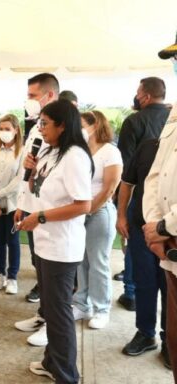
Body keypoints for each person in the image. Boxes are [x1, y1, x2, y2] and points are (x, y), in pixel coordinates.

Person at [15, 99, 93, 383]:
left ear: (62, 125)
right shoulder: (51, 151)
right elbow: (39, 188)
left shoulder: (75, 156)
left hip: (62, 246)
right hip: (45, 242)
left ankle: (66, 375)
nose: (40, 129)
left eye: (45, 124)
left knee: (59, 314)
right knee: (50, 308)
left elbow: (83, 205)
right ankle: (52, 362)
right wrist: (26, 201)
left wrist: (42, 217)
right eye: (40, 123)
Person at [14, 73, 59, 348]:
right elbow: (28, 168)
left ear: (49, 96)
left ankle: (53, 324)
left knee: (55, 272)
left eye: (32, 96)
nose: (28, 101)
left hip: (49, 213)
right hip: (32, 207)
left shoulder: (61, 129)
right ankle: (44, 315)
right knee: (39, 265)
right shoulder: (36, 126)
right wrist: (21, 204)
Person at [117, 77, 169, 311]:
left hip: (142, 204)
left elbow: (125, 168)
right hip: (168, 209)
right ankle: (167, 339)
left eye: (138, 92)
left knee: (143, 273)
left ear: (145, 96)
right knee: (168, 282)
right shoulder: (170, 118)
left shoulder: (134, 121)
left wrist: (122, 211)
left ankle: (130, 295)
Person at [117, 139, 169, 368]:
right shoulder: (149, 146)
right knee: (144, 282)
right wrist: (121, 216)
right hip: (140, 227)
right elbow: (127, 183)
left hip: (171, 233)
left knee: (170, 288)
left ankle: (170, 340)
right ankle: (146, 333)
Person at [143, 34, 177, 379]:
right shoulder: (174, 113)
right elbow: (155, 174)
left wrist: (165, 227)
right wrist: (155, 227)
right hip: (169, 249)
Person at [72, 111, 122, 329]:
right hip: (79, 211)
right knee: (80, 260)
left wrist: (90, 208)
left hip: (99, 212)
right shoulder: (81, 150)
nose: (79, 129)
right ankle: (81, 303)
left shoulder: (110, 151)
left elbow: (110, 187)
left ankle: (102, 309)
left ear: (94, 125)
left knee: (98, 261)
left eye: (82, 125)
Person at [0, 114, 24, 294]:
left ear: (16, 130)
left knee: (13, 241)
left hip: (13, 205)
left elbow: (19, 180)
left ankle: (12, 277)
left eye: (7, 129)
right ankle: (0, 274)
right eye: (1, 129)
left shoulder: (22, 152)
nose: (4, 132)